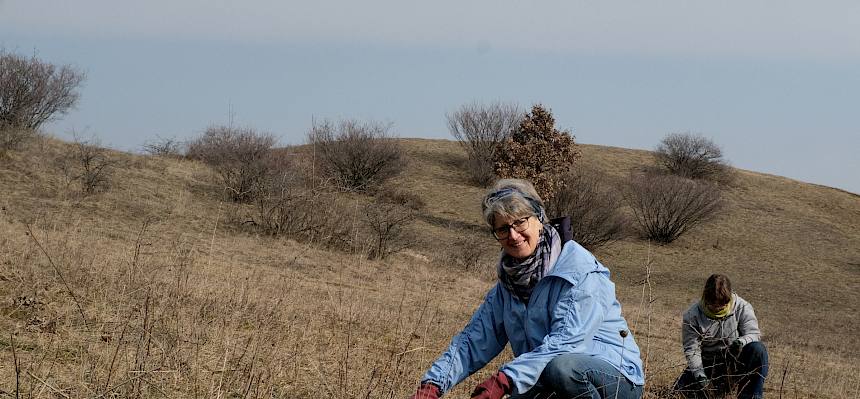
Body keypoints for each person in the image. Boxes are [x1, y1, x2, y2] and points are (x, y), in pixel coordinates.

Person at [409, 179, 644, 399]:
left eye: (520, 221)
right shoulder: (508, 284)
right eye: (502, 229)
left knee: (562, 368)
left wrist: (504, 380)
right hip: (543, 373)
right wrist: (433, 385)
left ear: (539, 219)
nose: (513, 235)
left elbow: (567, 343)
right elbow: (473, 341)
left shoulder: (579, 271)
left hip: (616, 377)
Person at [675, 274, 769, 399]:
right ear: (705, 298)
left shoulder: (742, 307)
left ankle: (751, 396)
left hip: (735, 361)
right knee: (677, 393)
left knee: (758, 350)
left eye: (722, 306)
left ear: (729, 298)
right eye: (713, 306)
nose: (717, 309)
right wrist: (700, 375)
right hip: (707, 364)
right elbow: (692, 350)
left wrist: (741, 342)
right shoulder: (692, 316)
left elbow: (754, 334)